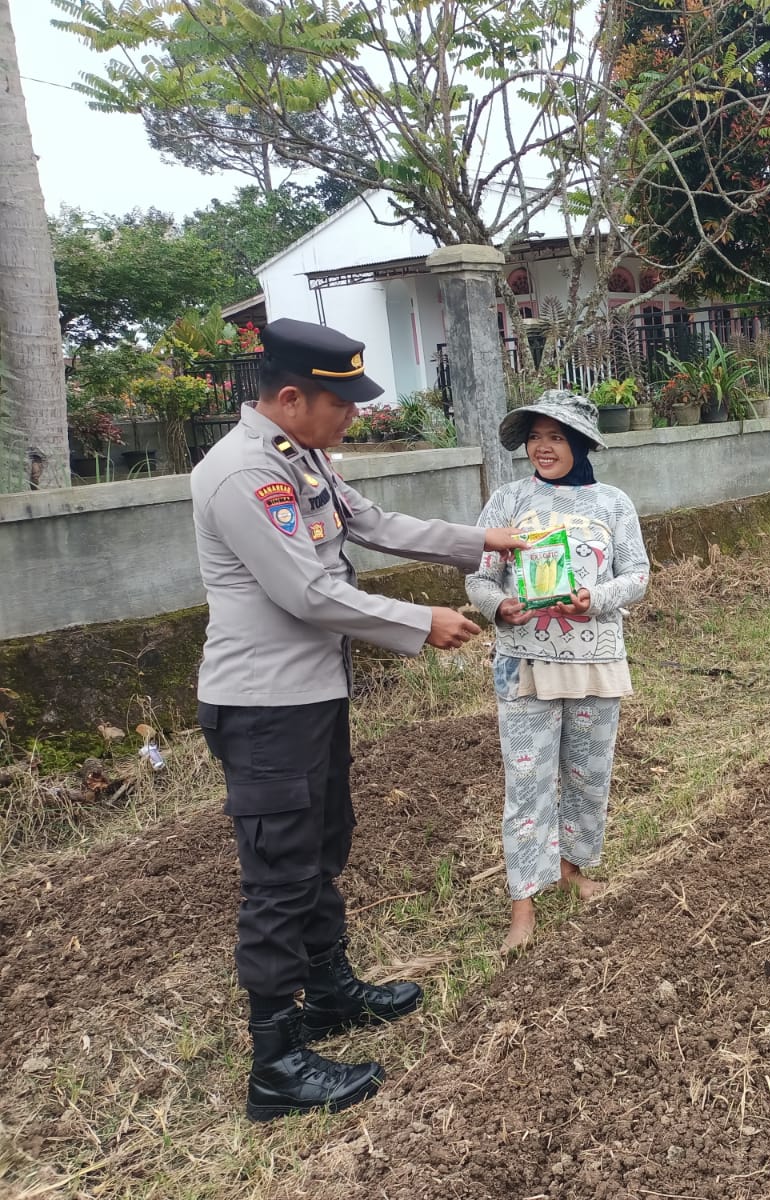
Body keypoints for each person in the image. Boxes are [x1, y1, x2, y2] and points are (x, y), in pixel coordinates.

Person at [190, 318, 531, 1121]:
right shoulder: (244, 475)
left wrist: (484, 540)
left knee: (320, 844)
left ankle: (331, 991)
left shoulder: (298, 457)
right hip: (264, 707)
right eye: (342, 403)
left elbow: (374, 525)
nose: (353, 416)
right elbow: (306, 591)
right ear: (289, 397)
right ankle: (276, 1067)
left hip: (308, 697)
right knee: (278, 877)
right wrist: (420, 624)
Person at [464, 390, 650, 954]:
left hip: (596, 662)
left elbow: (638, 576)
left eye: (556, 437)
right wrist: (499, 606)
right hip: (526, 663)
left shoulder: (612, 503)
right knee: (527, 785)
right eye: (536, 437)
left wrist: (593, 598)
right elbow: (479, 579)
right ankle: (523, 902)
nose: (543, 448)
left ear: (582, 444)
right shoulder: (508, 500)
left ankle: (571, 869)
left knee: (588, 777)